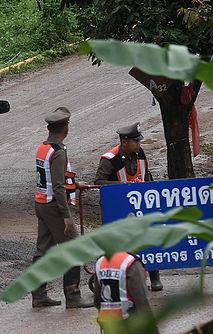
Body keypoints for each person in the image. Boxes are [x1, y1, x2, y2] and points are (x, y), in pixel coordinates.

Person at [31, 107, 89, 309]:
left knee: (43, 250)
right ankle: (73, 296)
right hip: (54, 206)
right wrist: (66, 216)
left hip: (41, 203)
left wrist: (75, 184)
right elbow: (57, 186)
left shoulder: (43, 148)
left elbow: (53, 179)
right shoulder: (58, 153)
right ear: (65, 128)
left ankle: (38, 295)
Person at [94, 123, 162, 291]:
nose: (139, 144)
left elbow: (147, 176)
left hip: (140, 206)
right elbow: (99, 182)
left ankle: (154, 276)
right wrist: (124, 185)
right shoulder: (110, 159)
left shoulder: (139, 153)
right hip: (117, 209)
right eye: (135, 141)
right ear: (125, 142)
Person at [91, 252, 158, 333]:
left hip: (108, 322)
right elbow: (142, 300)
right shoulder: (131, 262)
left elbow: (97, 300)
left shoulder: (101, 262)